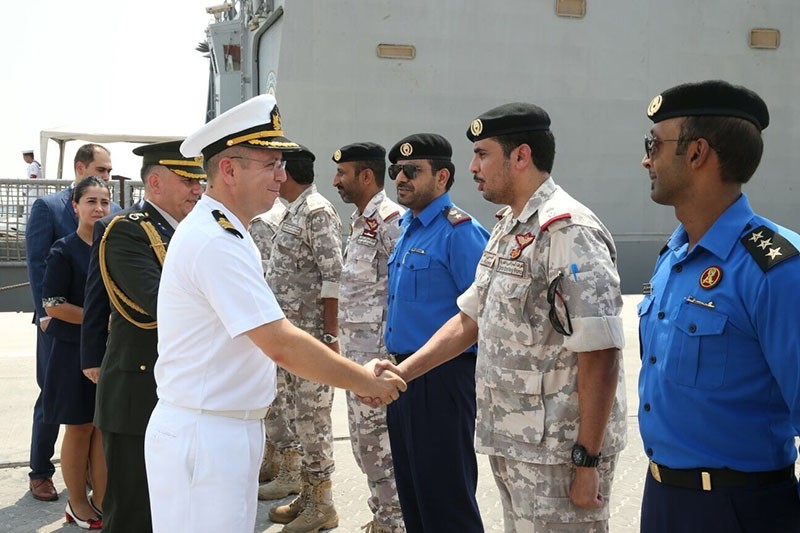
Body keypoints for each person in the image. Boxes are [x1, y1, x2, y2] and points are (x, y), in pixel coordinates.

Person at [143, 93, 406, 533]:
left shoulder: (228, 231)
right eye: (270, 164)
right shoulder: (215, 240)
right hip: (206, 435)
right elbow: (279, 342)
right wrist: (363, 380)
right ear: (229, 169)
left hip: (222, 428)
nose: (282, 175)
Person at [374, 104, 628, 532]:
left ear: (521, 156)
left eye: (482, 154)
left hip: (560, 452)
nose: (471, 167)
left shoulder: (568, 231)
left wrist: (588, 459)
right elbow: (469, 319)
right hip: (515, 439)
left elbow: (601, 352)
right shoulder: (509, 228)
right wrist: (402, 373)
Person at [638, 80, 800, 532]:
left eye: (653, 143)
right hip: (662, 499)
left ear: (697, 153)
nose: (645, 159)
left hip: (740, 510)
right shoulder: (674, 256)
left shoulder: (777, 268)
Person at [88, 141, 205, 533]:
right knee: (133, 513)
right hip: (136, 394)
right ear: (155, 182)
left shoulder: (192, 232)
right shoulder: (128, 232)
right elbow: (162, 305)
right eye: (188, 180)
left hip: (179, 390)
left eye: (200, 180)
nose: (198, 189)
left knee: (175, 512)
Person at [381, 133, 489, 532]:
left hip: (443, 379)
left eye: (412, 170)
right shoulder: (408, 229)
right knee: (413, 493)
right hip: (403, 377)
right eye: (397, 171)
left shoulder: (460, 232)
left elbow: (481, 315)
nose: (401, 178)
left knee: (446, 498)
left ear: (442, 177)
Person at [254, 144, 344, 533]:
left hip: (311, 340)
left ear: (287, 172)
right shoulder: (294, 212)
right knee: (297, 418)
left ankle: (323, 503)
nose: (273, 176)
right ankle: (307, 492)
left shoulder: (317, 211)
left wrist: (328, 335)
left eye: (276, 169)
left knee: (314, 421)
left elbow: (334, 276)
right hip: (291, 339)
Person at [25, 143, 116, 502]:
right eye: (101, 169)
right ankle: (41, 472)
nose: (106, 176)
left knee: (94, 417)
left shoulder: (113, 213)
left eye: (109, 171)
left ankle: (91, 479)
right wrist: (47, 315)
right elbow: (37, 266)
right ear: (80, 168)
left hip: (99, 334)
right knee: (55, 400)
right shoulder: (49, 208)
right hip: (59, 327)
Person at [332, 142, 405, 533]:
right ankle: (384, 517)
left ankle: (395, 524)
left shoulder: (391, 220)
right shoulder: (361, 221)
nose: (336, 182)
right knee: (365, 449)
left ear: (365, 176)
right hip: (355, 357)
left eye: (342, 174)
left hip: (378, 358)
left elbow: (404, 286)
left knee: (380, 450)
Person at [41, 176, 112, 529]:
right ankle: (77, 503)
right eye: (91, 202)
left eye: (104, 201)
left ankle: (101, 500)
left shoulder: (112, 245)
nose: (99, 208)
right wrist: (98, 320)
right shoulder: (64, 249)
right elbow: (52, 305)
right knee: (79, 428)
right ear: (75, 206)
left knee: (102, 426)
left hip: (108, 351)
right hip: (72, 352)